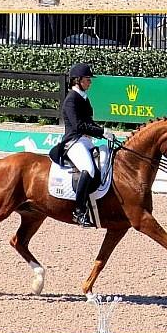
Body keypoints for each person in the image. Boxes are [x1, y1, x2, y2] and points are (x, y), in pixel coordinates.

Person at [59, 63, 115, 228]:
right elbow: (78, 126)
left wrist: (101, 130)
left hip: (86, 140)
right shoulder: (71, 100)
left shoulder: (83, 97)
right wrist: (101, 132)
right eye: (87, 79)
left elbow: (88, 122)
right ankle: (79, 211)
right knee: (89, 169)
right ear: (77, 80)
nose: (90, 82)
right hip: (73, 141)